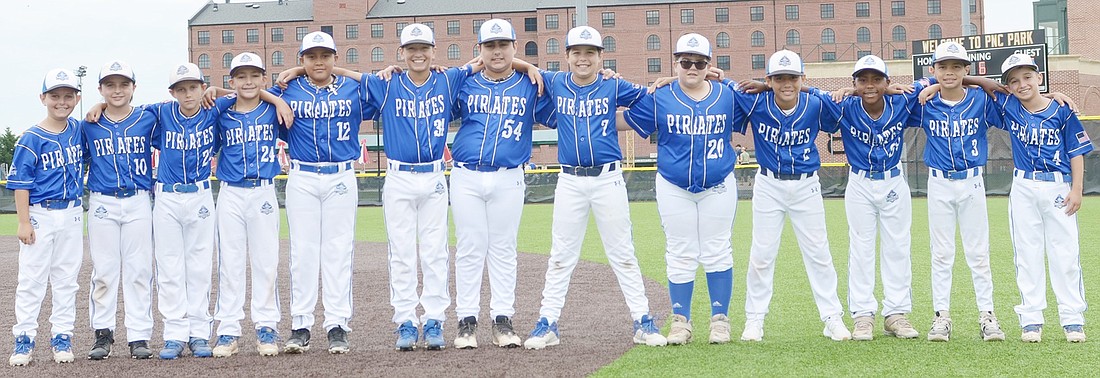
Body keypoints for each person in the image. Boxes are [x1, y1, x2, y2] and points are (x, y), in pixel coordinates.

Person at [522, 25, 666, 350]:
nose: (583, 59)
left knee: (623, 254)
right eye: (577, 53)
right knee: (561, 255)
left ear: (601, 57)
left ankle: (643, 320)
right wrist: (529, 65)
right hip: (570, 181)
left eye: (590, 53)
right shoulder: (556, 82)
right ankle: (547, 323)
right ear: (568, 57)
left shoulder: (613, 84)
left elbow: (649, 98)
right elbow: (519, 69)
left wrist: (667, 82)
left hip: (608, 179)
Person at [621, 33, 743, 345]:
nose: (692, 67)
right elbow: (625, 120)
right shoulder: (660, 95)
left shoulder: (727, 95)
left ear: (709, 65)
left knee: (717, 250)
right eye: (685, 61)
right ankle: (681, 321)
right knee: (680, 251)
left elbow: (759, 103)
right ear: (676, 63)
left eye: (699, 62)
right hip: (674, 186)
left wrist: (727, 81)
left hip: (718, 184)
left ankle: (719, 320)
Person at [270, 31, 373, 354]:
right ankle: (301, 324)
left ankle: (337, 324)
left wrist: (335, 73)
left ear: (335, 59)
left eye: (325, 55)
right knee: (302, 252)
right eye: (311, 56)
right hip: (302, 175)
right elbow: (251, 95)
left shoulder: (352, 88)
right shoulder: (288, 89)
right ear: (302, 59)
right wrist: (281, 89)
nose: (319, 61)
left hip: (340, 175)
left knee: (338, 252)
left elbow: (378, 85)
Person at [737, 50, 851, 342]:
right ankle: (754, 320)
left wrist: (806, 87)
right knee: (761, 254)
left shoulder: (813, 103)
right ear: (769, 80)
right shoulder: (756, 101)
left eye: (792, 77)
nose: (786, 83)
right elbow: (723, 84)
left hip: (805, 185)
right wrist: (764, 86)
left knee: (819, 253)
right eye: (778, 78)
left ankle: (832, 318)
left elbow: (838, 106)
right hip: (768, 184)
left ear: (802, 78)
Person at [451, 19, 548, 349]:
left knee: (504, 247)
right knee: (469, 246)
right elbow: (435, 89)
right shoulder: (464, 83)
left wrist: (527, 66)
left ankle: (502, 319)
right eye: (490, 45)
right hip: (465, 174)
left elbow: (571, 88)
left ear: (514, 47)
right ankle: (467, 320)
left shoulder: (530, 83)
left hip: (509, 176)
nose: (497, 51)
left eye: (503, 45)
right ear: (479, 50)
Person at [814, 55, 924, 340]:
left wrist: (893, 88)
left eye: (877, 79)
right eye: (863, 80)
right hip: (860, 182)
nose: (870, 85)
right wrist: (850, 92)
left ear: (887, 82)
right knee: (861, 249)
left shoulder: (901, 100)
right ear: (854, 83)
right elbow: (813, 93)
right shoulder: (845, 105)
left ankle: (896, 313)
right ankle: (863, 315)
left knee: (897, 246)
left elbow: (935, 79)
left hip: (892, 180)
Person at [909, 41, 1006, 342]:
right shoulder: (924, 102)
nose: (949, 72)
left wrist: (974, 81)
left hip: (972, 182)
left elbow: (1012, 97)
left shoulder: (980, 100)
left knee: (978, 253)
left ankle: (987, 316)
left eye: (956, 67)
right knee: (941, 254)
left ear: (967, 69)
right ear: (932, 69)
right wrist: (931, 87)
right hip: (938, 182)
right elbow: (897, 92)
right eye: (942, 67)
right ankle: (941, 317)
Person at [995, 53, 1092, 343]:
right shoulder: (1010, 106)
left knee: (1065, 254)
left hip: (1058, 186)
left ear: (1039, 77)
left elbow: (1075, 151)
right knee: (1027, 253)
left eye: (1027, 77)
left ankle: (1072, 319)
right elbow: (980, 86)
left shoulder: (1062, 110)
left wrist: (1076, 189)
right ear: (1008, 87)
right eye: (1013, 81)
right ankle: (1031, 319)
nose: (1021, 84)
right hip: (1023, 186)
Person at [7, 69, 85, 366]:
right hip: (41, 213)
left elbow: (101, 114)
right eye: (55, 96)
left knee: (67, 280)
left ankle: (62, 336)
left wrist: (99, 105)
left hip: (73, 212)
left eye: (68, 96)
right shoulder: (31, 137)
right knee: (32, 280)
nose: (61, 102)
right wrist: (24, 221)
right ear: (43, 98)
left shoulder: (78, 129)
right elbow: (21, 183)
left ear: (76, 99)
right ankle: (24, 338)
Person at [209, 52, 285, 357]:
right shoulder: (220, 113)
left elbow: (288, 81)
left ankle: (267, 325)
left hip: (263, 190)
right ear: (232, 81)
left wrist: (277, 100)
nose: (249, 81)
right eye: (241, 76)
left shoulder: (272, 108)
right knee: (230, 262)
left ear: (264, 79)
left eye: (255, 75)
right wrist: (220, 94)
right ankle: (228, 328)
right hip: (230, 192)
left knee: (266, 261)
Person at [82, 60, 157, 360]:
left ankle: (139, 335)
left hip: (138, 199)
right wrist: (97, 106)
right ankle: (103, 333)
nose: (117, 90)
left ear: (134, 88)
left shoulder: (148, 117)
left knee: (139, 269)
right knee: (104, 270)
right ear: (100, 89)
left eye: (123, 84)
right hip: (102, 201)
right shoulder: (88, 124)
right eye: (110, 85)